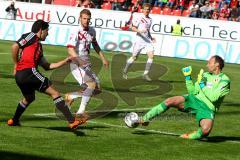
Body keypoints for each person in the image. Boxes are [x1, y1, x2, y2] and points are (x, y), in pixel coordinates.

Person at [8, 20, 82, 129]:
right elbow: (15, 46)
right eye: (47, 31)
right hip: (29, 72)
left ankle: (14, 120)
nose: (48, 33)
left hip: (20, 76)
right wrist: (16, 64)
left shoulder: (39, 47)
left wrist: (65, 61)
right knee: (55, 93)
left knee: (29, 98)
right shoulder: (31, 36)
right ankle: (72, 121)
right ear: (40, 30)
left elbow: (47, 66)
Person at [135, 55, 230, 140]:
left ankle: (190, 136)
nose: (207, 65)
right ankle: (145, 118)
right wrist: (188, 78)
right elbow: (193, 91)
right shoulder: (205, 75)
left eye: (209, 63)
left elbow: (213, 97)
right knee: (169, 101)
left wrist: (202, 84)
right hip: (194, 99)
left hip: (208, 108)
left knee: (205, 131)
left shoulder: (224, 81)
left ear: (217, 65)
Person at [65, 9, 109, 124]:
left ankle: (72, 96)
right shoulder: (75, 31)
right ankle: (80, 113)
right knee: (91, 84)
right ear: (80, 18)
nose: (86, 21)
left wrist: (103, 58)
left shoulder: (92, 31)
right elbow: (70, 49)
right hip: (76, 63)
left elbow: (95, 44)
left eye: (88, 19)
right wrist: (79, 60)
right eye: (84, 18)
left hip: (86, 63)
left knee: (97, 89)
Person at [123, 3, 156, 82]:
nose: (147, 11)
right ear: (143, 10)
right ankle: (125, 71)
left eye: (148, 9)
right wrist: (140, 31)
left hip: (147, 40)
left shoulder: (150, 20)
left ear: (150, 10)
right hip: (139, 40)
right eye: (145, 9)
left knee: (151, 56)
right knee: (134, 57)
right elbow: (133, 28)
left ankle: (145, 74)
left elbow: (147, 30)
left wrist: (151, 37)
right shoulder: (139, 18)